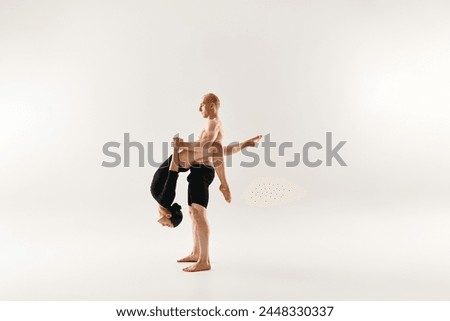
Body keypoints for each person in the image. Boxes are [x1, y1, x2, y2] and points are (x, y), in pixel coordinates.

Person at [151, 93, 261, 272]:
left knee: (199, 214)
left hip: (203, 172)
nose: (199, 108)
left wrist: (182, 145)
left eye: (202, 105)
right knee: (192, 212)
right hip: (197, 170)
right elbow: (219, 151)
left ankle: (204, 261)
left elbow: (206, 148)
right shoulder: (212, 125)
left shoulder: (213, 123)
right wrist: (244, 145)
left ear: (212, 105)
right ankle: (196, 252)